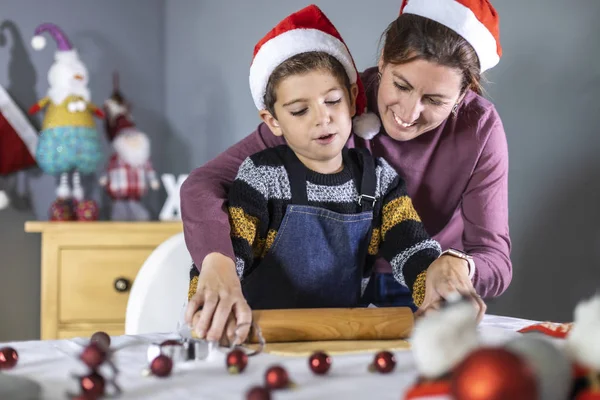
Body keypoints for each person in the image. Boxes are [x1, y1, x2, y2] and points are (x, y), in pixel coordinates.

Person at [184, 0, 507, 343]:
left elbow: (496, 260)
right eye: (400, 85)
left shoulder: (479, 129)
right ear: (383, 60)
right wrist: (219, 262)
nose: (410, 113)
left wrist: (456, 267)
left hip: (424, 286)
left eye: (436, 100)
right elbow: (202, 185)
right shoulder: (326, 100)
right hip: (320, 306)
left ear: (462, 95)